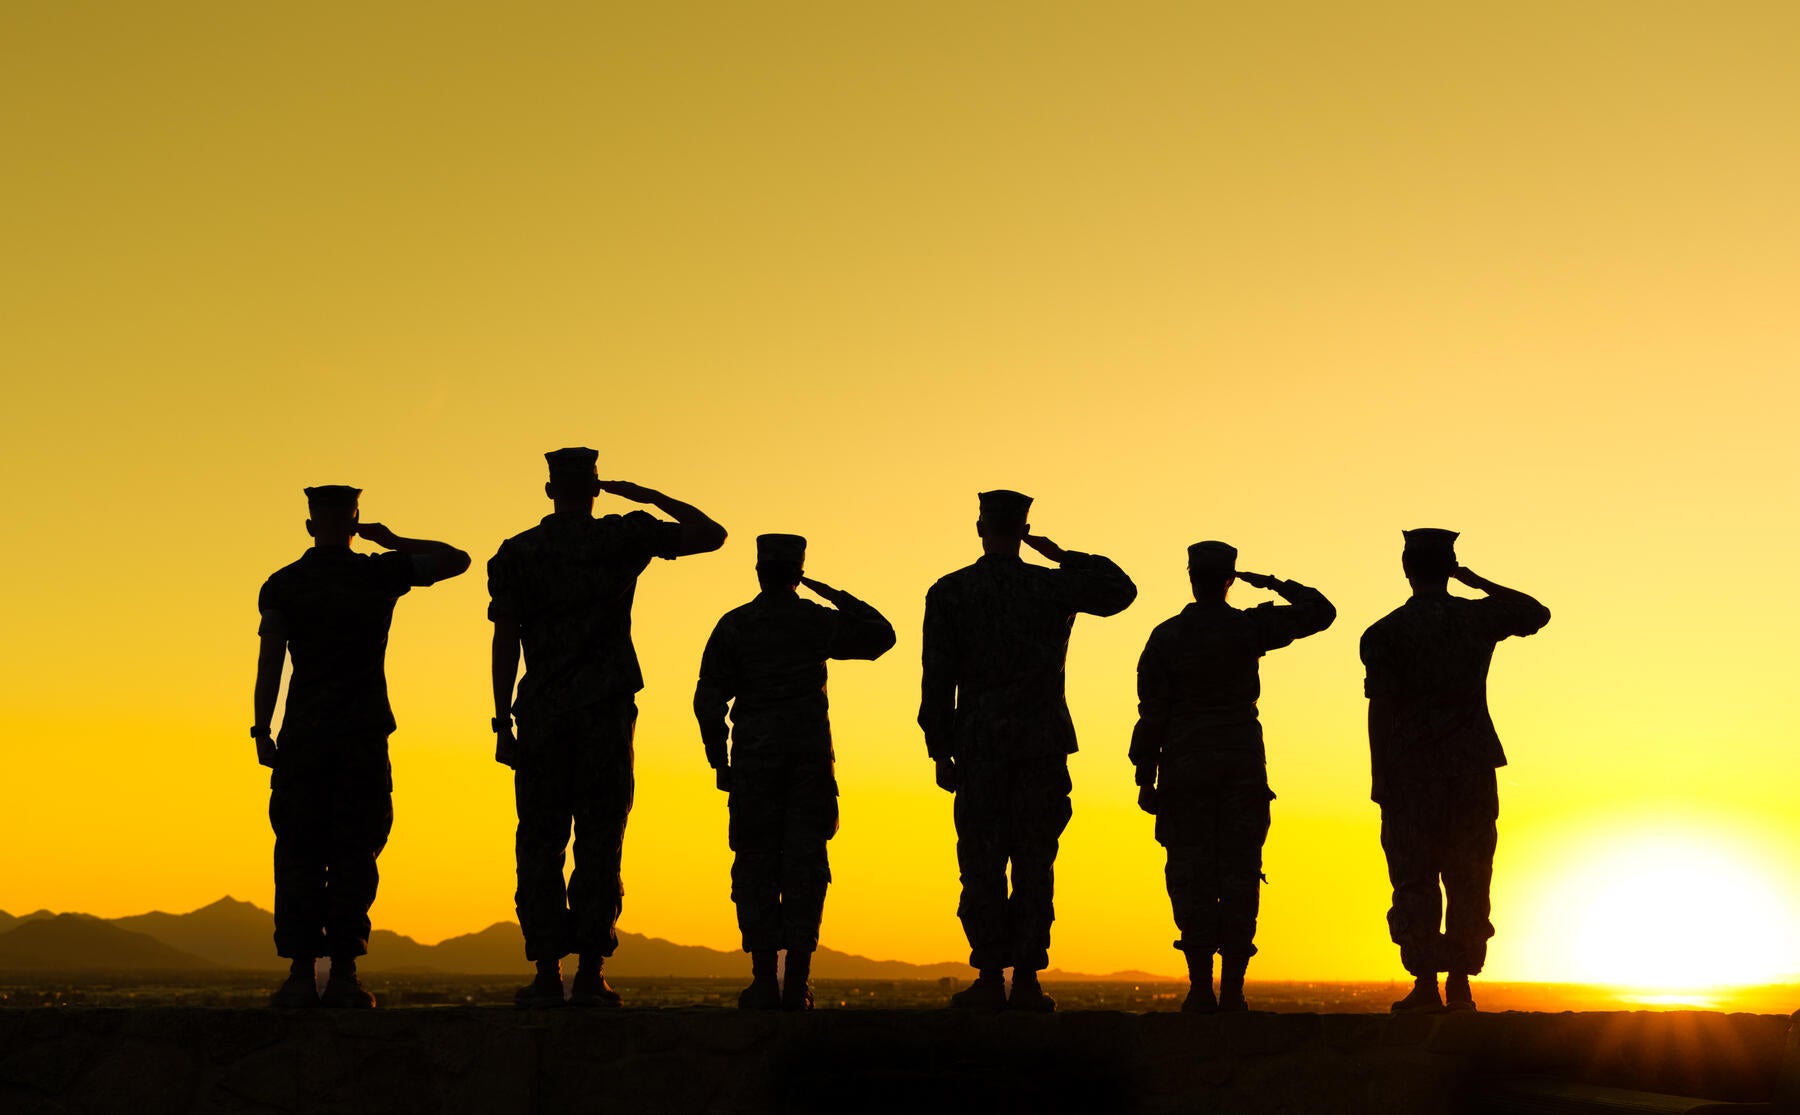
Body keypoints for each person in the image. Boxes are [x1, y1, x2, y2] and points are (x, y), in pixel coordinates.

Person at [490, 448, 726, 1008]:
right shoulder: (621, 537)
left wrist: (501, 720)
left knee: (540, 840)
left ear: (550, 491)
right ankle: (591, 971)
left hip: (543, 712)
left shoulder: (518, 553)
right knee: (600, 838)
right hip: (603, 710)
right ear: (596, 490)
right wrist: (647, 497)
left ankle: (548, 971)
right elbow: (710, 534)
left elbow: (504, 640)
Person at [253, 485, 470, 1008]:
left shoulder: (285, 584)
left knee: (300, 849)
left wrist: (262, 728)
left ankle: (302, 973)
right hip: (361, 733)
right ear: (354, 524)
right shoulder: (377, 573)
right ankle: (345, 972)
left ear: (310, 526)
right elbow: (456, 560)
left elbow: (271, 661)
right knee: (355, 849)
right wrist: (392, 540)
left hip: (304, 734)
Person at [919, 489, 1136, 1011]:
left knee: (983, 863)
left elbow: (937, 678)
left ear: (980, 528)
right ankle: (1028, 980)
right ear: (1021, 530)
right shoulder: (1051, 587)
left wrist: (940, 749)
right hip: (1040, 744)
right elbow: (1120, 590)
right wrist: (1060, 555)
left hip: (980, 745)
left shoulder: (951, 592)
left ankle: (992, 975)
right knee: (1035, 861)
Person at [1129, 542, 1334, 1012]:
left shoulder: (1167, 637)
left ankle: (1201, 988)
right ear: (1229, 579)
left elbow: (1151, 712)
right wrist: (1274, 583)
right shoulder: (1247, 628)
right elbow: (1320, 611)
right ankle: (1234, 990)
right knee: (1239, 875)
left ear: (1190, 577)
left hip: (1184, 771)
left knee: (1191, 874)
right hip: (1241, 768)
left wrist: (1145, 774)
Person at [694, 534, 896, 1010]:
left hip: (754, 763)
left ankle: (765, 978)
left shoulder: (736, 626)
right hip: (807, 764)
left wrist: (717, 758)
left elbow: (708, 698)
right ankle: (795, 982)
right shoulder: (814, 621)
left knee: (755, 865)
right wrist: (830, 593)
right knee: (804, 867)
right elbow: (880, 635)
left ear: (760, 571)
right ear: (797, 572)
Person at [1361, 528, 1550, 1012]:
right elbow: (1534, 612)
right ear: (1448, 567)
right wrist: (1474, 579)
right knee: (1468, 876)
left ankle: (1427, 985)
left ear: (1406, 569)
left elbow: (1379, 710)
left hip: (1410, 772)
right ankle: (1461, 983)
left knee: (1414, 876)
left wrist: (1380, 775)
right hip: (1468, 768)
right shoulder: (1474, 618)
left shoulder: (1385, 633)